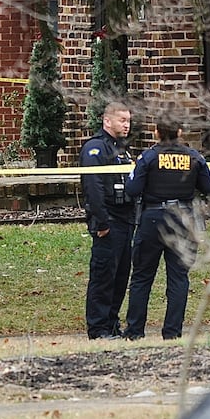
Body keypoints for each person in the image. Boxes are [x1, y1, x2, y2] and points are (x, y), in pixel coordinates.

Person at [122, 119, 210, 340]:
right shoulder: (195, 158)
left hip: (153, 218)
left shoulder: (148, 157)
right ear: (180, 132)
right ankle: (172, 332)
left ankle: (135, 331)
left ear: (156, 132)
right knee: (178, 277)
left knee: (142, 276)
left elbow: (132, 188)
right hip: (184, 219)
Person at [79, 102, 135, 340]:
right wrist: (101, 222)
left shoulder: (122, 151)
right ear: (107, 121)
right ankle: (99, 328)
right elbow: (93, 187)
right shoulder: (95, 149)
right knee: (103, 276)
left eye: (128, 121)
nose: (126, 124)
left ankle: (112, 324)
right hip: (108, 221)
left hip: (125, 220)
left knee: (120, 276)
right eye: (122, 120)